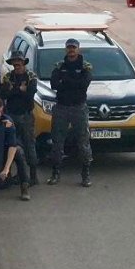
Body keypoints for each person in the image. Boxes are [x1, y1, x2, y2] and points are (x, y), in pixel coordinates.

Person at [48, 38, 93, 187]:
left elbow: (83, 85)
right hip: (61, 107)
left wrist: (65, 82)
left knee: (83, 142)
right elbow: (54, 84)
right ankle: (55, 173)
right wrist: (73, 82)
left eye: (74, 47)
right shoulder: (59, 66)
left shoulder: (86, 66)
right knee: (57, 141)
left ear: (78, 49)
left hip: (78, 108)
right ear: (65, 49)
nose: (71, 50)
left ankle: (85, 175)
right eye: (69, 48)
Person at [0, 51, 39, 185]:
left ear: (23, 62)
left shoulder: (31, 76)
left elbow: (30, 93)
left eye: (19, 61)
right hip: (10, 115)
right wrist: (19, 89)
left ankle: (33, 176)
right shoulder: (8, 77)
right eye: (14, 62)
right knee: (10, 144)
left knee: (29, 144)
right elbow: (3, 94)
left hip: (26, 116)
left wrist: (13, 91)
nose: (17, 64)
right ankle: (9, 174)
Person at [0, 96, 30, 201]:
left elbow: (12, 146)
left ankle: (24, 185)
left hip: (8, 148)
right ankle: (9, 180)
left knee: (19, 153)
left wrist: (6, 169)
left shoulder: (8, 122)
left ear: (1, 108)